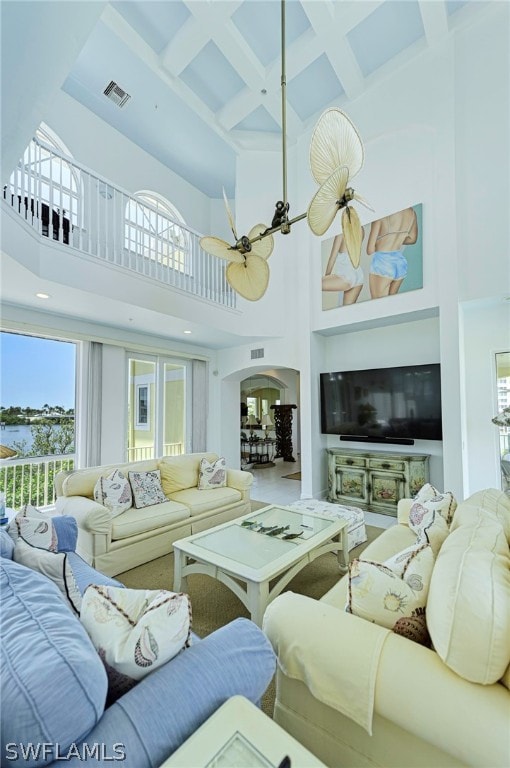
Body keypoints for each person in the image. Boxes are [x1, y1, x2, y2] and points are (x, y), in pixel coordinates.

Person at [366, 207, 418, 298]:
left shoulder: (381, 214)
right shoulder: (412, 212)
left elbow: (370, 250)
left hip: (383, 263)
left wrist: (384, 241)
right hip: (400, 263)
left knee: (378, 307)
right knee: (390, 305)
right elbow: (412, 239)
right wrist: (397, 239)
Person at [322, 230, 364, 306]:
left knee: (313, 285)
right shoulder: (361, 229)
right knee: (346, 313)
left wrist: (327, 277)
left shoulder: (342, 232)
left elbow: (332, 258)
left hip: (346, 274)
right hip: (358, 275)